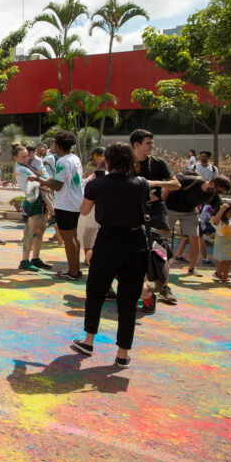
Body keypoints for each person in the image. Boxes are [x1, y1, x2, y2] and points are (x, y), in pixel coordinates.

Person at [72, 142, 152, 368]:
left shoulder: (98, 185)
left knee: (96, 292)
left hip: (107, 241)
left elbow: (84, 210)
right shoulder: (141, 184)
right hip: (135, 243)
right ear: (130, 160)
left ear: (107, 160)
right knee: (128, 301)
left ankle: (88, 341)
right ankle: (122, 354)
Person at [32, 130, 84, 280]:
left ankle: (73, 272)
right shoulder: (75, 158)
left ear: (59, 145)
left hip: (66, 204)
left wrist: (38, 179)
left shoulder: (62, 161)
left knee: (68, 238)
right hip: (75, 203)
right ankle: (75, 269)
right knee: (74, 237)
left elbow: (57, 185)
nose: (52, 146)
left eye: (54, 143)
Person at [164, 170, 230, 276]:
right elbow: (169, 186)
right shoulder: (190, 181)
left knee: (195, 237)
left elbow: (218, 214)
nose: (218, 194)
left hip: (189, 212)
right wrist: (162, 203)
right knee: (163, 236)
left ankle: (192, 268)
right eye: (218, 191)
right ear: (212, 183)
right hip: (171, 209)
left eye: (221, 193)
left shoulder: (213, 197)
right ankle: (158, 265)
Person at [12, 143, 50, 272]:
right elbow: (39, 179)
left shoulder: (26, 166)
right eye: (23, 157)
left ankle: (35, 258)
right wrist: (52, 180)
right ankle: (25, 260)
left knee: (41, 230)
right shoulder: (22, 169)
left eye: (27, 156)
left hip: (40, 198)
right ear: (15, 157)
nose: (26, 158)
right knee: (32, 231)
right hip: (33, 201)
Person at [210, 202, 231, 285]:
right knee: (227, 260)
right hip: (223, 244)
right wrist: (222, 209)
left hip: (229, 243)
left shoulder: (229, 220)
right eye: (229, 212)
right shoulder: (219, 221)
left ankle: (218, 273)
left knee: (226, 259)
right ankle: (225, 278)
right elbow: (215, 221)